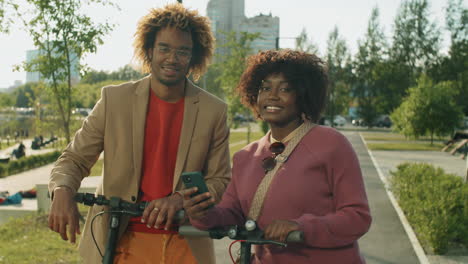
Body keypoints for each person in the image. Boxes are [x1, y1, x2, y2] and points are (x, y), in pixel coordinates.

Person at [47, 3, 231, 264]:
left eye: (182, 52)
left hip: (185, 244)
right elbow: (74, 159)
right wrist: (63, 190)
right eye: (164, 48)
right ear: (149, 51)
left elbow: (220, 181)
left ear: (193, 58)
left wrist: (179, 200)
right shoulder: (114, 99)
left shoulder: (214, 111)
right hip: (118, 240)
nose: (172, 58)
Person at [183, 49, 372, 263]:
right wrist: (203, 214)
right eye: (265, 88)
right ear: (255, 94)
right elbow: (231, 213)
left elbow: (358, 217)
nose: (272, 95)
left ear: (303, 95)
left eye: (285, 88)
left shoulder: (332, 144)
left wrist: (302, 227)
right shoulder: (245, 157)